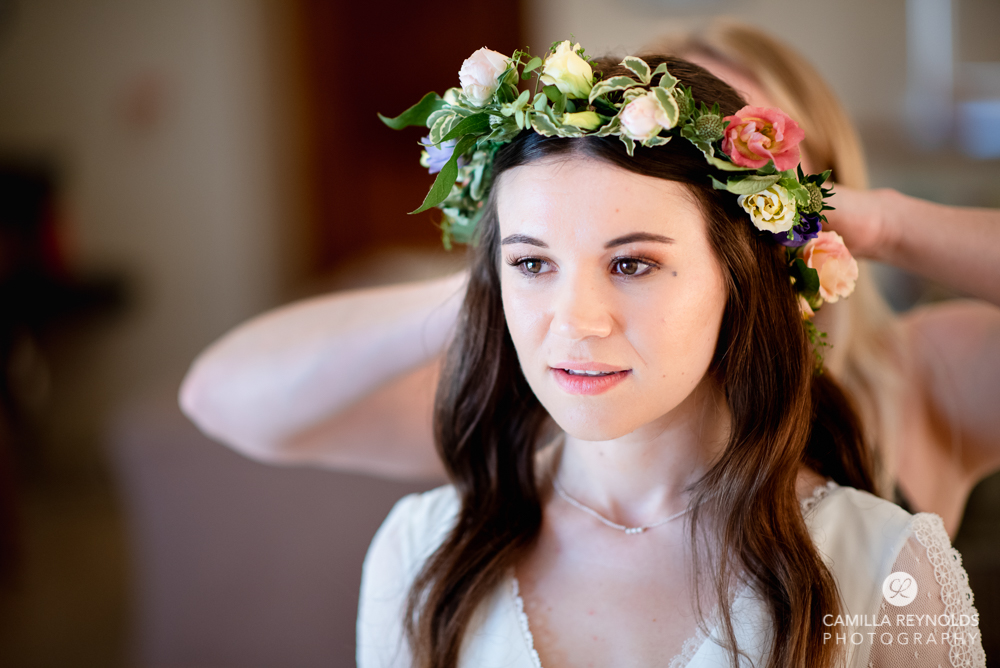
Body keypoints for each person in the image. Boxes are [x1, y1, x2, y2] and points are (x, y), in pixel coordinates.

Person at [179, 22, 1000, 540]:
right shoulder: (569, 397)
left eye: (746, 152)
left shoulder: (922, 379)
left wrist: (883, 221)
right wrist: (516, 277)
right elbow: (221, 395)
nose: (705, 184)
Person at [353, 48, 983, 667]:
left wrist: (883, 224)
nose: (576, 321)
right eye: (532, 263)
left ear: (739, 279)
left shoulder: (877, 566)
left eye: (633, 264)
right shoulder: (421, 549)